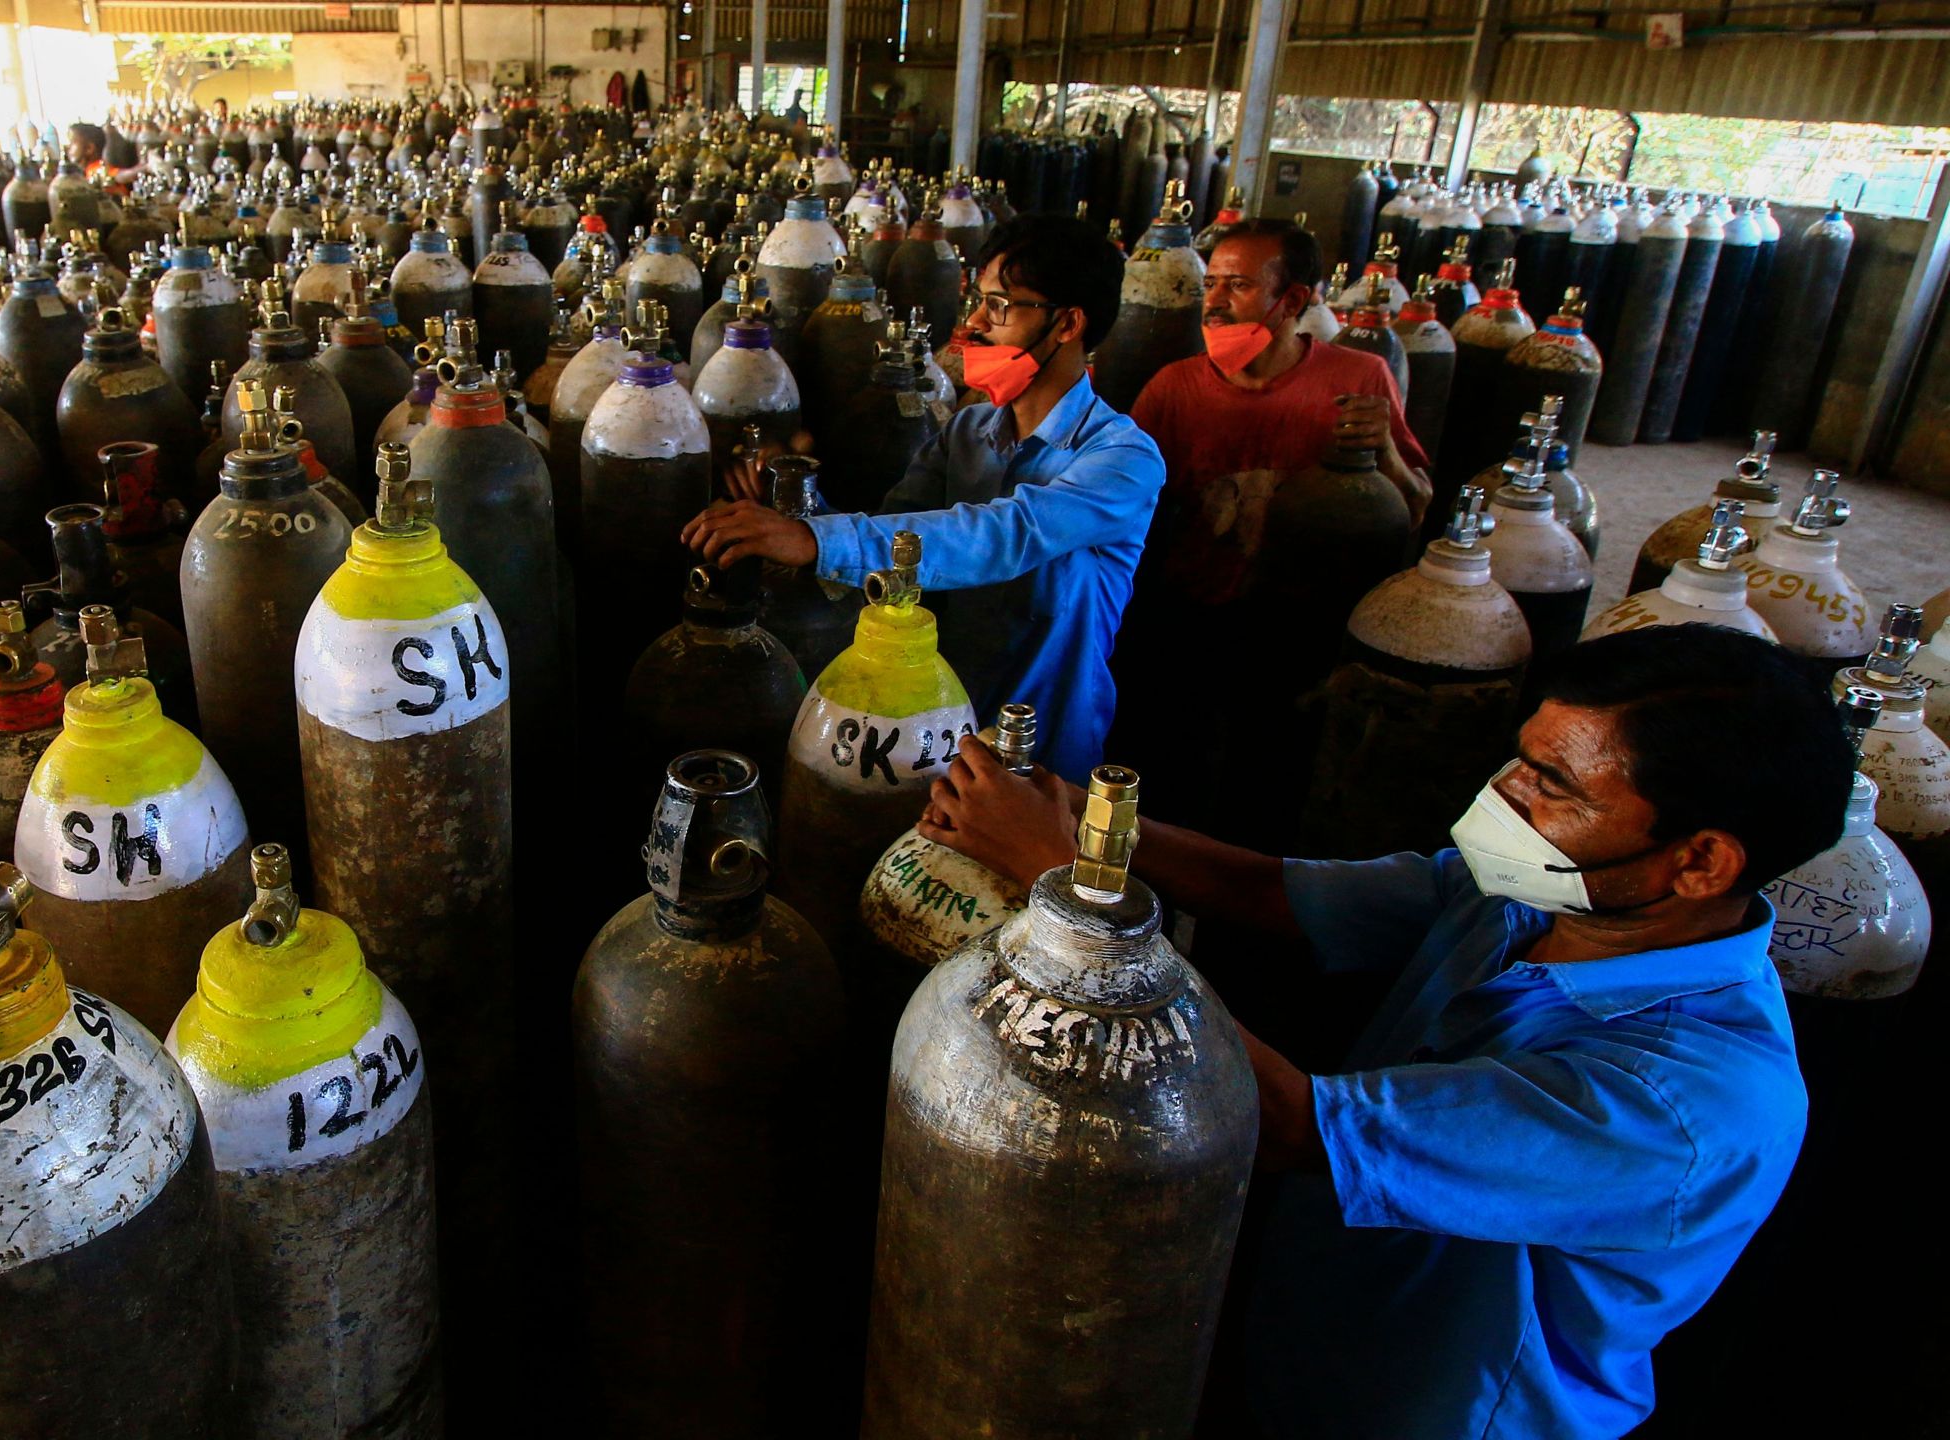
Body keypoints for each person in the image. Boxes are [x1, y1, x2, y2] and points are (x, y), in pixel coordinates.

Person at [919, 624, 1836, 1439]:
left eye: (1553, 784)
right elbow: (1271, 891)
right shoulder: (1528, 894)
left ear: (1701, 861)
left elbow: (1278, 1122)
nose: (1505, 795)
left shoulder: (1686, 1104)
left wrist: (1065, 885)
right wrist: (1081, 821)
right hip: (1313, 1339)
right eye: (1520, 758)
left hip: (1433, 1409)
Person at [682, 214, 1165, 782]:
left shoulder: (1122, 459)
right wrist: (792, 502)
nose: (978, 323)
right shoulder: (968, 432)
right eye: (978, 302)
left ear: (1068, 323)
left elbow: (1003, 536)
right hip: (933, 731)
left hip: (1041, 754)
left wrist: (813, 539)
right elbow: (894, 545)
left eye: (1001, 305)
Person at [1107, 216, 1433, 842]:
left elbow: (1415, 508)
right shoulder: (1175, 389)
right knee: (1168, 791)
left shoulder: (1358, 381)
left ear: (1293, 301)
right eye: (1212, 284)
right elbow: (1124, 514)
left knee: (1268, 794)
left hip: (1301, 633)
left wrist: (1385, 452)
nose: (1216, 302)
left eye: (1239, 285)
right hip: (1188, 620)